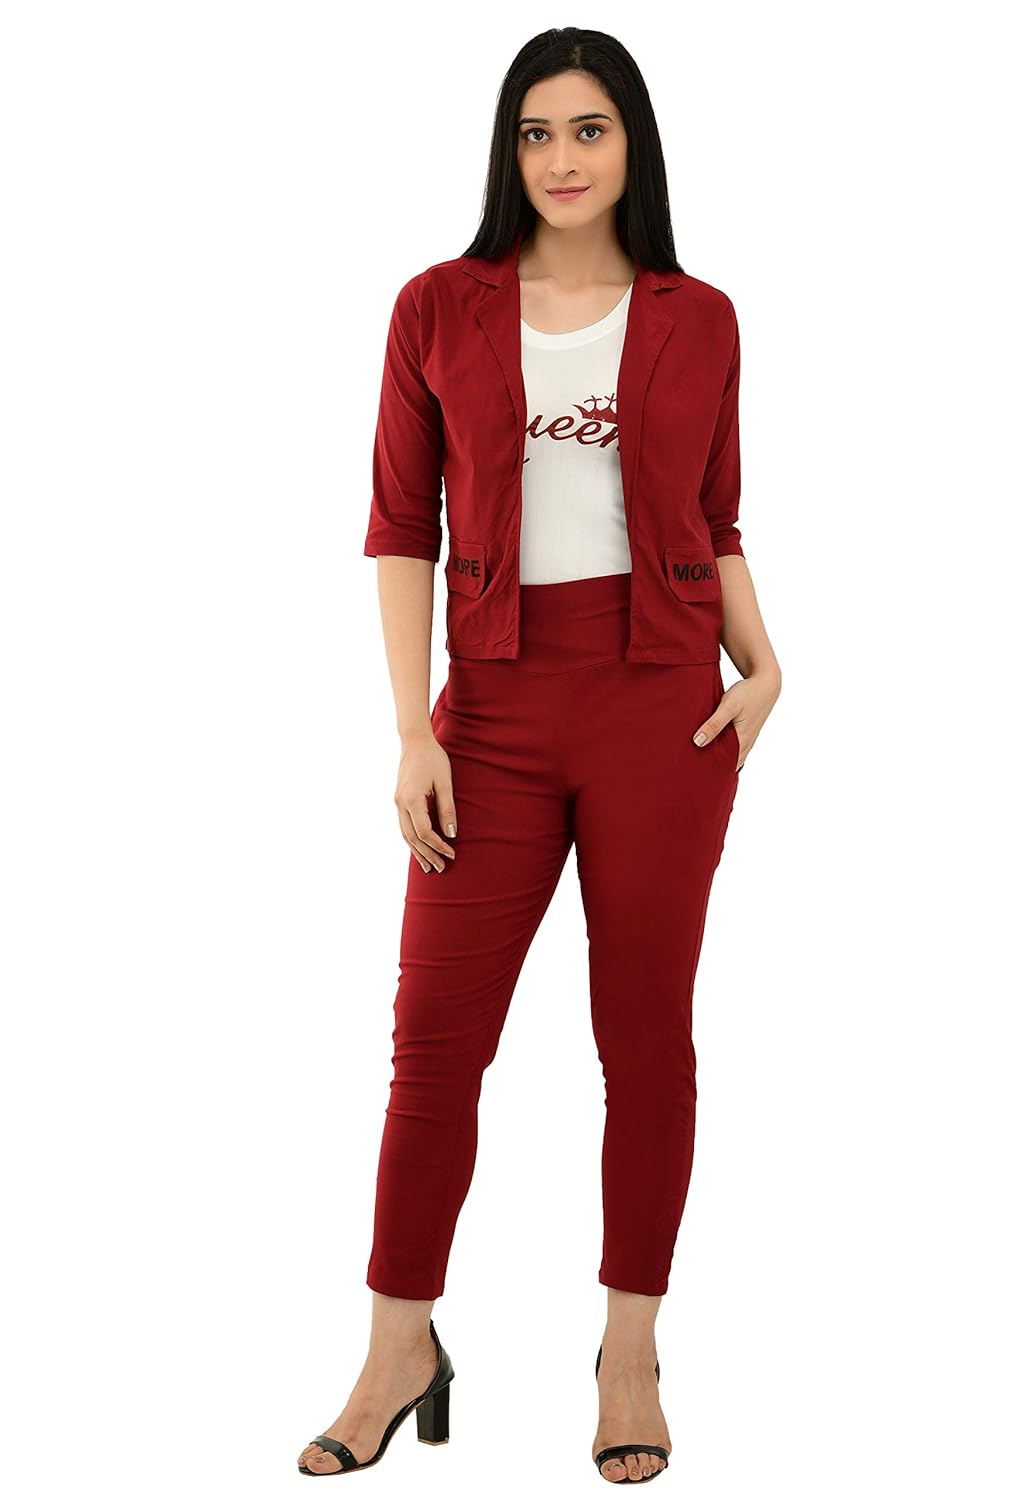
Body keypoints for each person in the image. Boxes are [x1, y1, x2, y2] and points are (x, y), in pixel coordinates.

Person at [298, 25, 782, 1485]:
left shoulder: (701, 317)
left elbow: (715, 517)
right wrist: (413, 730)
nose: (561, 160)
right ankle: (397, 1345)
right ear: (506, 151)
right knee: (433, 1046)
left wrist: (764, 664)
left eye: (588, 130)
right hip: (492, 716)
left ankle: (628, 1351)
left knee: (644, 1039)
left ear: (633, 144)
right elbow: (401, 526)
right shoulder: (436, 307)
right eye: (534, 133)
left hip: (660, 710)